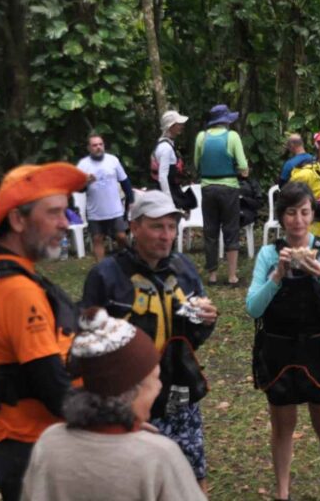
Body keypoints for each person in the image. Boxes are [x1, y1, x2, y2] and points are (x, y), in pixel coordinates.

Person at [0, 162, 86, 501]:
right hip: (35, 446)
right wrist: (117, 422)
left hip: (11, 437)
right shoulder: (17, 290)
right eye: (53, 213)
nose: (64, 223)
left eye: (65, 212)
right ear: (17, 219)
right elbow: (53, 387)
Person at [82, 191, 219, 491]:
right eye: (157, 227)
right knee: (135, 485)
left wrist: (205, 319)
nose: (166, 235)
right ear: (134, 226)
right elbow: (87, 345)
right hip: (128, 401)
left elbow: (193, 338)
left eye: (171, 227)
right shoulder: (106, 275)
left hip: (179, 395)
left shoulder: (183, 269)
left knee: (192, 476)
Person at [21, 307, 204, 501]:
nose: (159, 387)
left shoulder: (49, 442)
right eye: (156, 379)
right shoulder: (158, 456)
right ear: (131, 392)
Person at [247, 182, 320, 501]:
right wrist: (277, 276)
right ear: (281, 217)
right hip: (278, 350)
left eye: (304, 212)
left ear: (312, 215)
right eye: (291, 212)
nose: (297, 220)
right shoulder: (269, 254)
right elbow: (253, 307)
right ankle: (282, 493)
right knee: (282, 426)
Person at [194, 104, 249, 286]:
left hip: (208, 188)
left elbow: (197, 164)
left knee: (210, 230)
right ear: (226, 121)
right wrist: (243, 171)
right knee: (231, 229)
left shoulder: (202, 137)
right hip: (229, 188)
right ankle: (232, 276)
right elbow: (242, 166)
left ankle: (212, 276)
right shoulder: (232, 137)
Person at [77, 133, 134, 261]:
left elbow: (125, 180)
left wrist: (131, 199)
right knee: (97, 239)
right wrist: (86, 182)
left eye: (100, 144)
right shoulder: (83, 165)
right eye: (94, 145)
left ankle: (126, 261)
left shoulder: (113, 160)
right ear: (89, 148)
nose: (98, 147)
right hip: (95, 211)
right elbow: (78, 189)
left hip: (114, 209)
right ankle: (101, 270)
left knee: (121, 237)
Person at [152, 110, 194, 213]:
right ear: (170, 126)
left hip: (172, 190)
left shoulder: (165, 144)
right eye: (178, 124)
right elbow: (163, 176)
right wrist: (168, 200)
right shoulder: (166, 148)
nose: (181, 126)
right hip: (169, 194)